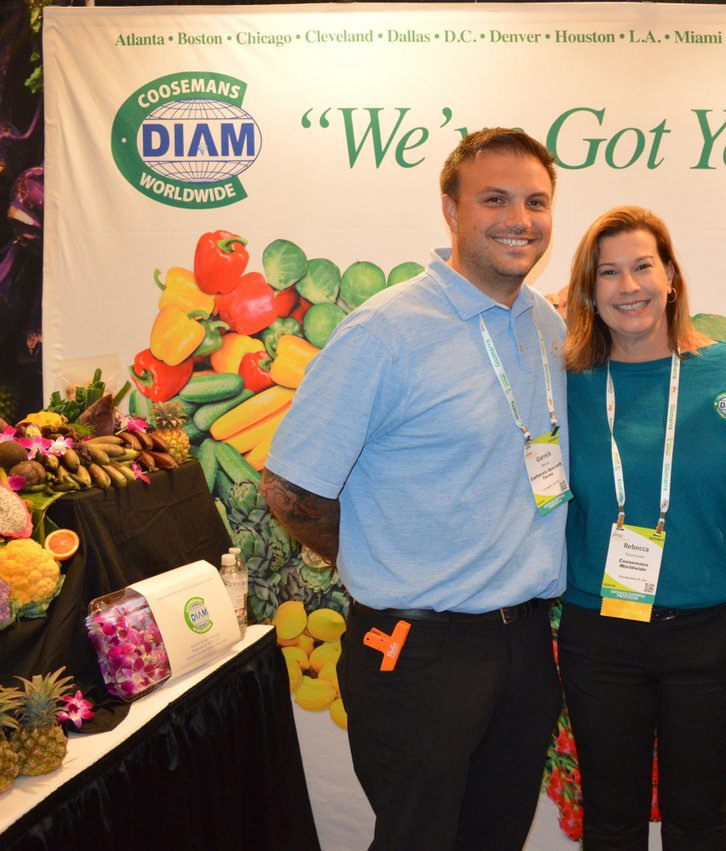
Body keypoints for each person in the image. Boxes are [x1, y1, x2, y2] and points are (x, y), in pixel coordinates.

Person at [262, 128, 568, 851]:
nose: (519, 218)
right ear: (451, 210)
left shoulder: (546, 322)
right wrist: (373, 556)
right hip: (417, 647)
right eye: (494, 199)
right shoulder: (386, 330)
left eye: (535, 202)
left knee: (495, 838)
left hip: (524, 642)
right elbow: (290, 489)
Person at [557, 206, 726, 849]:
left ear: (671, 275)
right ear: (588, 291)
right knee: (611, 820)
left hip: (711, 634)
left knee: (697, 819)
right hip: (602, 633)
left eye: (643, 267)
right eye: (608, 273)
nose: (628, 287)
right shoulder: (567, 380)